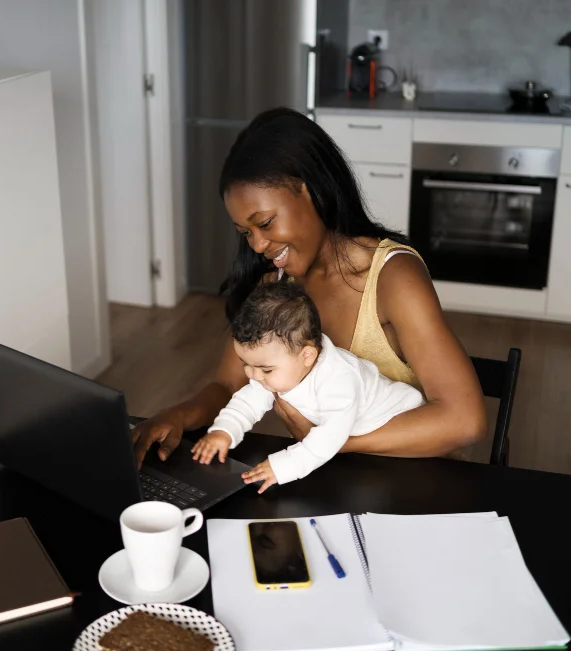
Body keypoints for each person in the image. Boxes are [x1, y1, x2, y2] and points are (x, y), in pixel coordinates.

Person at [132, 107, 486, 471]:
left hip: (417, 480)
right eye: (246, 233)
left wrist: (334, 442)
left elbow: (464, 420)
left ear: (310, 190)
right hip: (328, 475)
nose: (256, 245)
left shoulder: (394, 278)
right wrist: (175, 416)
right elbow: (227, 386)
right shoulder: (276, 287)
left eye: (265, 222)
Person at [191, 281, 424, 493]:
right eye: (246, 364)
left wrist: (283, 466)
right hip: (361, 441)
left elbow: (328, 438)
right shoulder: (278, 367)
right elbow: (248, 401)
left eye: (265, 369)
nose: (252, 375)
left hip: (402, 426)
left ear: (307, 356)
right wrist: (224, 431)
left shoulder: (338, 379)